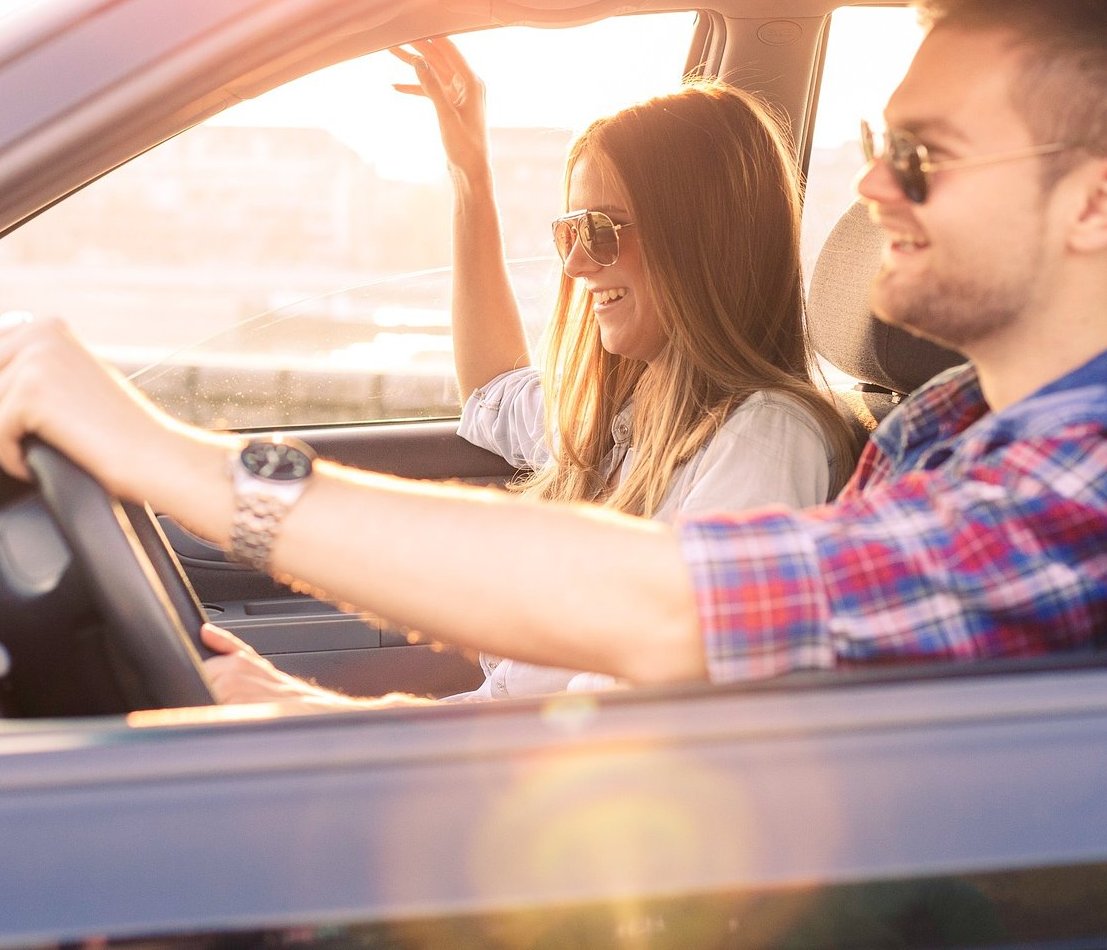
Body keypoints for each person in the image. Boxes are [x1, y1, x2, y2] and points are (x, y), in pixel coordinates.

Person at [0, 0, 1107, 693]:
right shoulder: (946, 417)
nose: (866, 192)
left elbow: (676, 611)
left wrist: (176, 457)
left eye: (921, 156)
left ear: (1100, 200)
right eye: (874, 148)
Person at [202, 42, 860, 710]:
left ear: (701, 240)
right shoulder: (628, 413)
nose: (576, 266)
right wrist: (471, 174)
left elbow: (629, 721)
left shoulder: (766, 442)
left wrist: (334, 718)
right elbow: (491, 389)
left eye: (601, 230)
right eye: (570, 229)